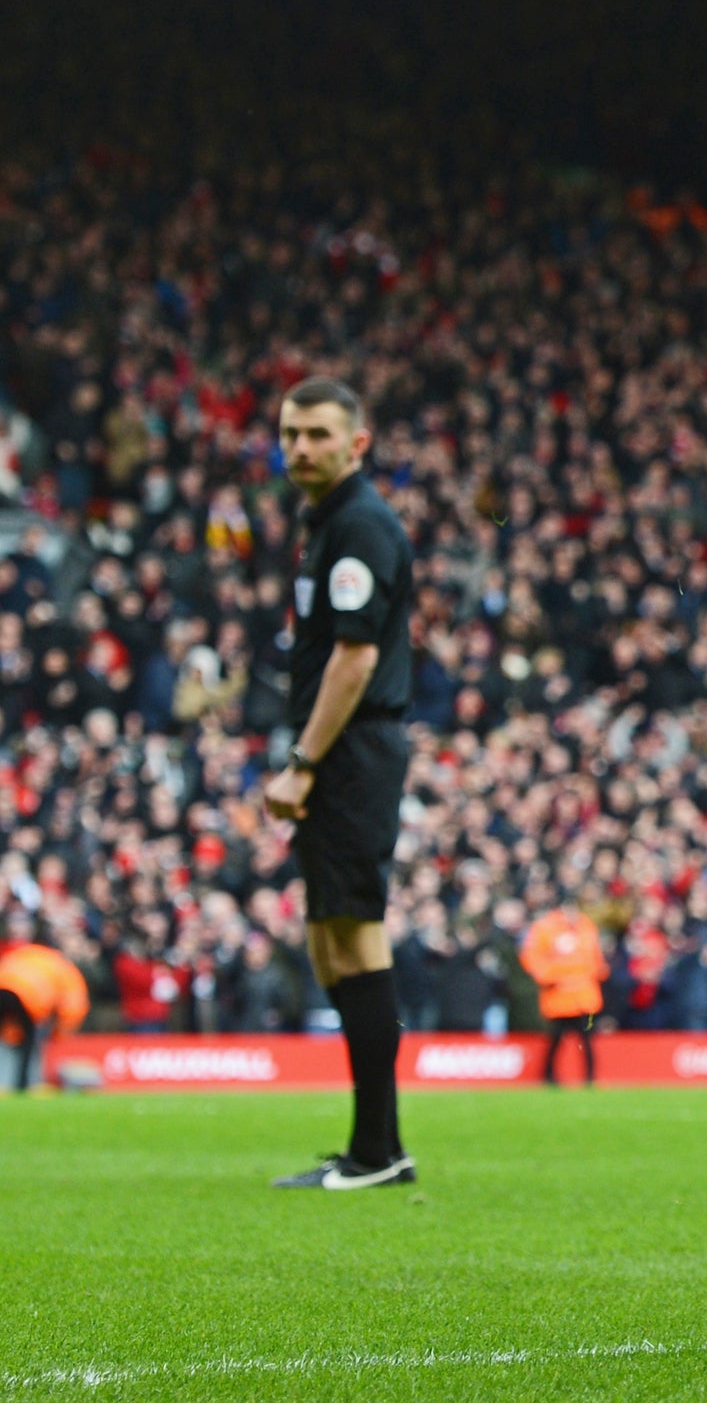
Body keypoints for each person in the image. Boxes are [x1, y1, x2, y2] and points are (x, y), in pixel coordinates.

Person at [263, 379, 419, 1190]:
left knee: (354, 931)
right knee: (332, 934)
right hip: (344, 751)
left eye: (318, 434)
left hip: (352, 752)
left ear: (357, 443)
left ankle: (377, 1151)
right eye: (290, 433)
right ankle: (372, 1145)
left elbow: (354, 658)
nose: (299, 448)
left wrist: (302, 763)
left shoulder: (357, 523)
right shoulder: (327, 522)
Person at [521, 896, 608, 1086]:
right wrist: (552, 978)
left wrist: (596, 972)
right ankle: (549, 1076)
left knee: (586, 1040)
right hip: (559, 998)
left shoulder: (587, 927)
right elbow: (533, 959)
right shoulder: (545, 929)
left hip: (584, 998)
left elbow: (596, 960)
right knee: (556, 1040)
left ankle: (590, 1078)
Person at [0, 942, 89, 1091]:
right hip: (27, 998)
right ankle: (23, 1084)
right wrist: (58, 1034)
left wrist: (11, 1035)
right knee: (28, 1043)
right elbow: (73, 1008)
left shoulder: (31, 953)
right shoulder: (65, 968)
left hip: (4, 986)